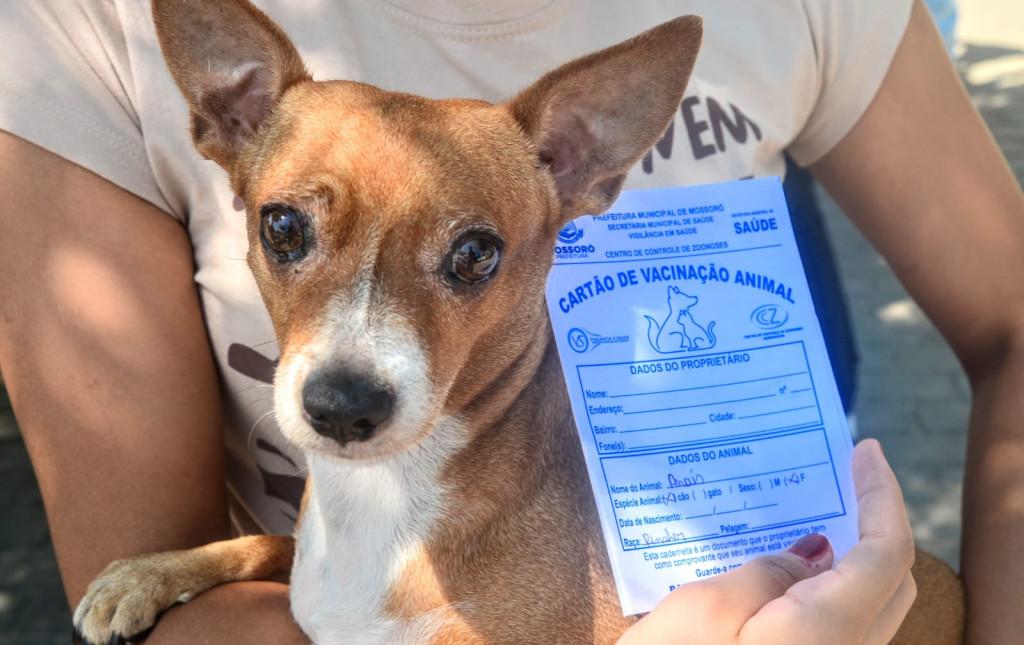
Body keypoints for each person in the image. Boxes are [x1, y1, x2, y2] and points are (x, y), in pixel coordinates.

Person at [0, 0, 1020, 642]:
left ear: (580, 167)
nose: (353, 360)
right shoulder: (79, 32)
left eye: (467, 259)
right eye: (291, 233)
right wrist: (216, 563)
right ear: (230, 118)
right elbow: (338, 567)